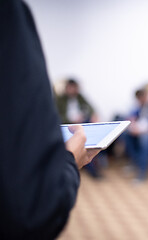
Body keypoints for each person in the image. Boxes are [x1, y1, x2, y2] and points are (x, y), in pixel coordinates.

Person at [0, 1, 99, 239]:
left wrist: (90, 116)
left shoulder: (82, 97)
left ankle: (99, 172)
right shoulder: (7, 14)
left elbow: (91, 108)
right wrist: (68, 161)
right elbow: (34, 209)